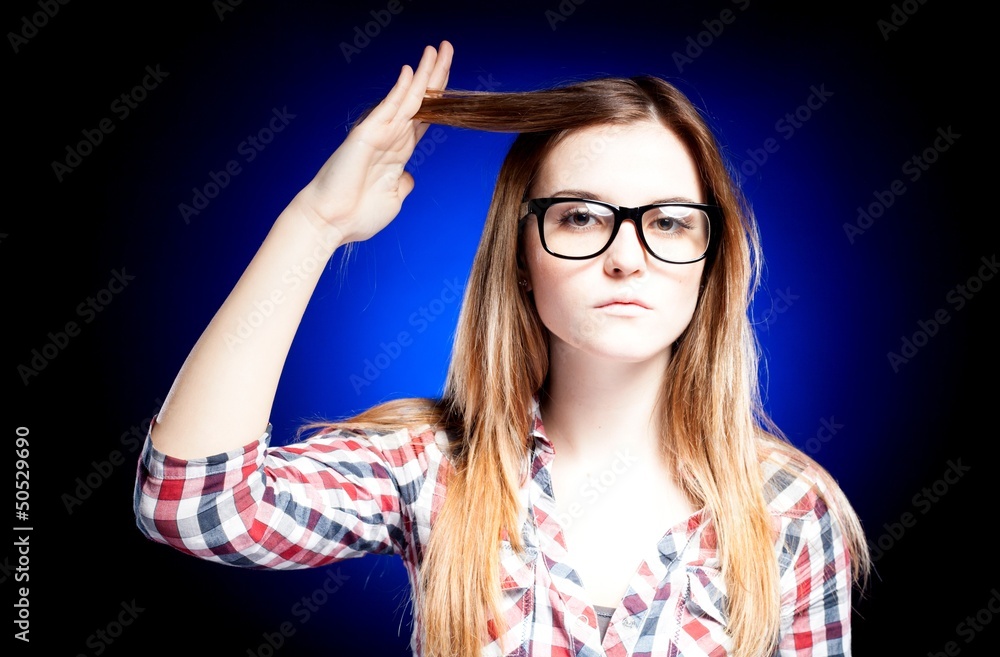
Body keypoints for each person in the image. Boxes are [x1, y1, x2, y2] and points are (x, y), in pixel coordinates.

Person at [134, 41, 870, 656]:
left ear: (712, 256)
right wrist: (315, 222)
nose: (626, 257)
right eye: (582, 217)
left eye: (670, 222)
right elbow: (190, 505)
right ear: (520, 254)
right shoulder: (432, 469)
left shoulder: (790, 512)